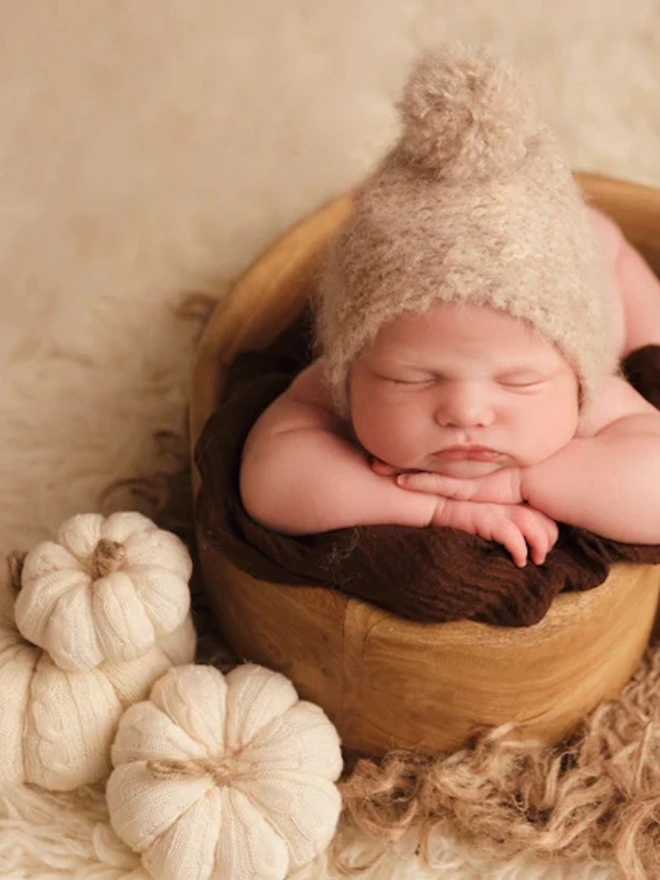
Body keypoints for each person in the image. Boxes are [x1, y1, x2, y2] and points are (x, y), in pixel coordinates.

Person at [239, 47, 660, 568]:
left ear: (578, 380)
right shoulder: (338, 380)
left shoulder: (588, 390)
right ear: (349, 371)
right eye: (411, 379)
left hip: (594, 270)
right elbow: (271, 481)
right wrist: (438, 508)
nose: (466, 412)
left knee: (642, 319)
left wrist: (521, 482)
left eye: (519, 382)